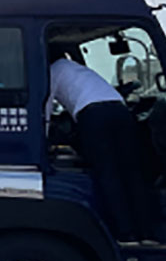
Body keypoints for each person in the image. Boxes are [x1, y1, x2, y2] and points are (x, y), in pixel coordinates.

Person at [47, 52, 156, 242]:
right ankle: (147, 232)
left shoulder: (52, 71)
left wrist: (45, 139)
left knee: (108, 174)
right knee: (132, 173)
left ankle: (125, 233)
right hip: (120, 110)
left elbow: (45, 107)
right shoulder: (78, 69)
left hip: (93, 115)